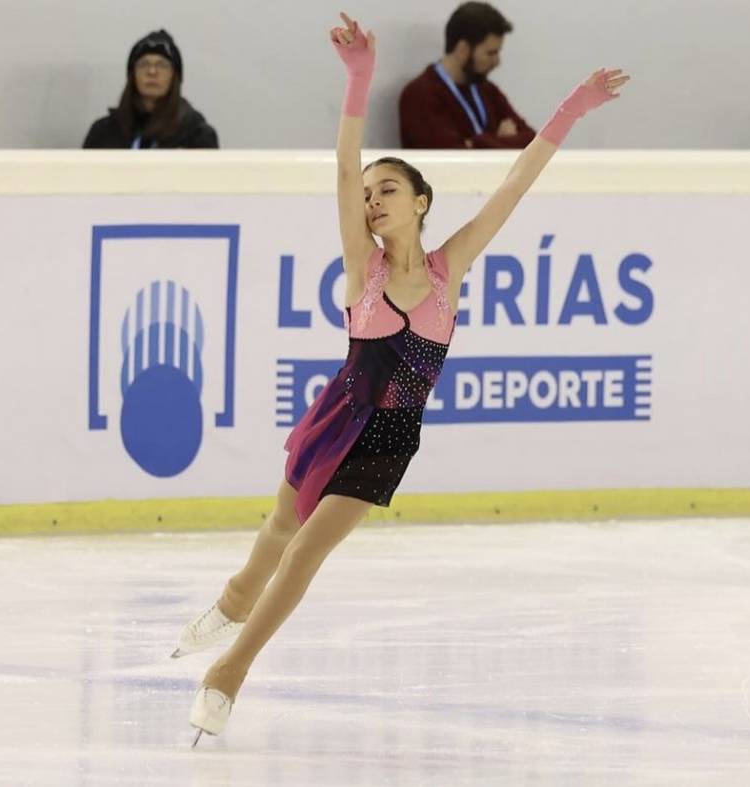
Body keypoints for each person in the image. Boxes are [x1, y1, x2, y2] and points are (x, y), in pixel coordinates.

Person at [177, 12, 628, 744]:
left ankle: (228, 670)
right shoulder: (365, 271)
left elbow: (515, 185)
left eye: (387, 189)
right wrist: (358, 78)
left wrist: (570, 110)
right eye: (367, 194)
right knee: (279, 530)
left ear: (419, 201)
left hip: (390, 435)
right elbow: (342, 163)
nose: (372, 199)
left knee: (304, 549)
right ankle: (231, 599)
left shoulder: (451, 268)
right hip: (337, 414)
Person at [398, 2, 536, 149]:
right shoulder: (420, 96)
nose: (497, 62)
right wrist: (499, 139)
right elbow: (452, 156)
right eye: (490, 53)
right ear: (463, 49)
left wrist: (476, 142)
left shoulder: (487, 90)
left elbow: (532, 141)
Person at [83, 30, 219, 149]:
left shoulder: (197, 135)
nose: (152, 71)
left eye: (162, 65)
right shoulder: (103, 131)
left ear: (174, 76)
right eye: (143, 64)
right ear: (132, 75)